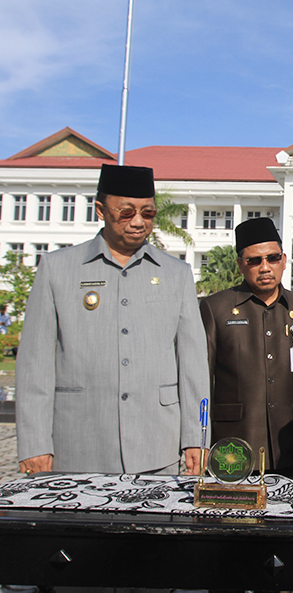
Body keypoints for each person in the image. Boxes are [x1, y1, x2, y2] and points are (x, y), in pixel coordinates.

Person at [16, 164, 207, 476]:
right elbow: (35, 365)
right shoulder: (57, 268)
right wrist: (35, 443)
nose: (138, 222)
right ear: (101, 210)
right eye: (126, 212)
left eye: (148, 213)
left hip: (157, 443)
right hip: (79, 444)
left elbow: (193, 365)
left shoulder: (177, 274)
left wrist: (196, 438)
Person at [199, 218, 293, 479]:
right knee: (232, 515)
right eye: (254, 260)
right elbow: (202, 378)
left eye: (272, 258)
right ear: (240, 264)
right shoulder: (216, 309)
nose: (265, 267)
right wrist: (199, 436)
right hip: (233, 441)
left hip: (290, 440)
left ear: (284, 260)